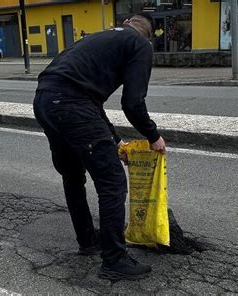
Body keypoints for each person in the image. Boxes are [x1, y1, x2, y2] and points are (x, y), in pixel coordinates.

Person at [33, 13, 165, 281]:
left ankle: (88, 240)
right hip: (72, 104)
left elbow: (92, 102)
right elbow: (133, 103)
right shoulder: (140, 44)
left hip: (45, 100)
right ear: (148, 35)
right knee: (112, 182)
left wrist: (116, 141)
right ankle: (114, 260)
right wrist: (153, 136)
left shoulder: (97, 38)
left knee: (73, 177)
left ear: (127, 21)